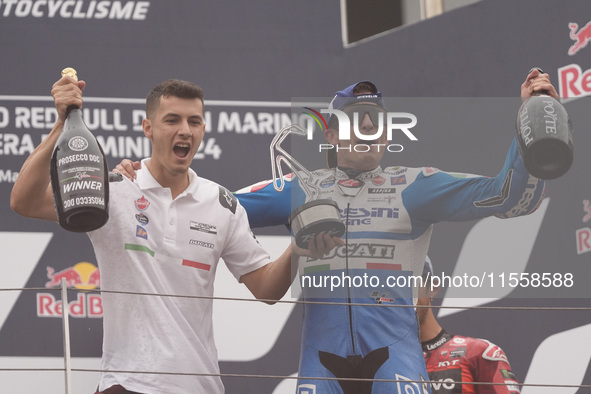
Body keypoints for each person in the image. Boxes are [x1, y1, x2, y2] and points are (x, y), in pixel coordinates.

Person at [114, 70, 558, 394]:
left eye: (376, 121)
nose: (367, 130)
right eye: (355, 120)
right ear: (331, 133)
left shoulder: (416, 184)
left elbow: (507, 196)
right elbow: (205, 205)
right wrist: (143, 176)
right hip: (320, 365)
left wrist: (529, 126)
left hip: (395, 362)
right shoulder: (298, 188)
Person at [10, 75, 341, 394]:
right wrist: (61, 124)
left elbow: (267, 290)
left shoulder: (223, 205)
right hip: (126, 384)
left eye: (194, 122)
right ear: (148, 128)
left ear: (203, 130)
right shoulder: (115, 189)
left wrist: (297, 249)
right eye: (172, 120)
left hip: (200, 385)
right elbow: (23, 201)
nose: (185, 130)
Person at [419, 257, 521, 394]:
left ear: (432, 288)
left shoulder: (479, 353)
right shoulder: (383, 359)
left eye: (410, 285)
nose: (402, 297)